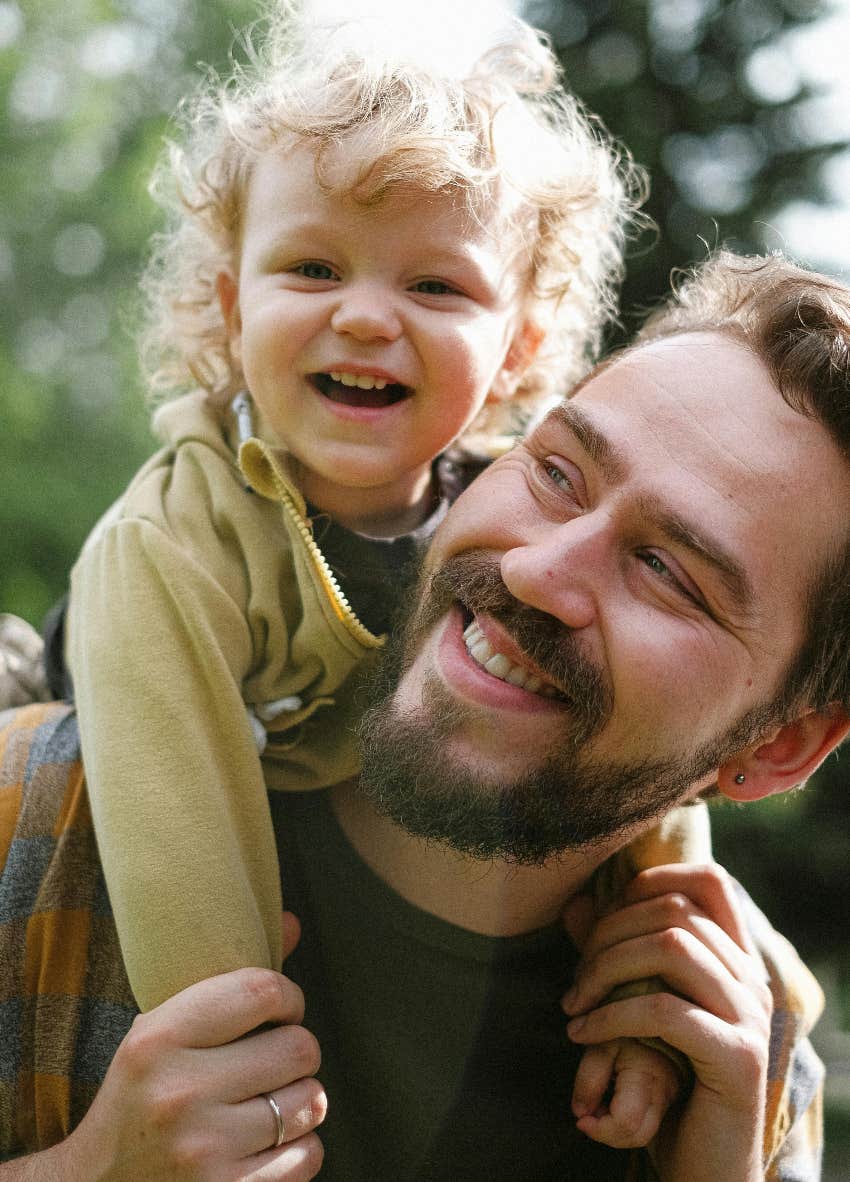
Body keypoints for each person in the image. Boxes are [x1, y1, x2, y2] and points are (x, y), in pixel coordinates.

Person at [0, 249, 844, 1180]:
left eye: (667, 572)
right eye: (558, 474)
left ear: (780, 746)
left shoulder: (741, 1055)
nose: (536, 570)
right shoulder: (27, 818)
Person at [59, 0, 644, 1026]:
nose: (366, 316)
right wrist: (227, 1050)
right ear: (236, 307)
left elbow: (635, 736)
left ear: (515, 347)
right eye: (313, 268)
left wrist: (657, 935)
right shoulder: (171, 541)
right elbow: (171, 837)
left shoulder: (522, 529)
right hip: (117, 774)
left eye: (434, 285)